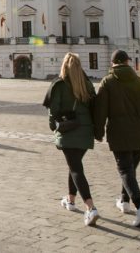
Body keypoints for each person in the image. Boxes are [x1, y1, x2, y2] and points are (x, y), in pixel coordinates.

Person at [92, 50, 140, 228]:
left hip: (119, 135)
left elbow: (100, 111)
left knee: (125, 170)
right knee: (130, 170)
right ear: (127, 62)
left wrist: (98, 133)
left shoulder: (108, 82)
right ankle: (124, 202)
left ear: (113, 63)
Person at [45, 53, 99, 227]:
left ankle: (91, 208)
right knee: (74, 165)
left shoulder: (60, 84)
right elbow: (95, 106)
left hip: (69, 131)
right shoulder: (87, 84)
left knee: (76, 169)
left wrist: (54, 127)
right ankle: (71, 200)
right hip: (86, 131)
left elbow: (53, 111)